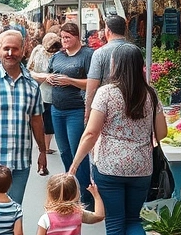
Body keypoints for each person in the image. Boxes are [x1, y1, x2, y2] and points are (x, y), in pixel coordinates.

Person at [69, 43, 167, 235]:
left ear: (116, 66)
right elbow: (163, 133)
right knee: (134, 220)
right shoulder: (151, 94)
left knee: (114, 224)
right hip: (142, 167)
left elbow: (91, 133)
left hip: (110, 167)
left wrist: (75, 163)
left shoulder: (106, 94)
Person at [0, 29, 48, 206]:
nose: (10, 53)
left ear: (23, 50)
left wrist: (42, 151)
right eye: (6, 49)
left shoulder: (32, 85)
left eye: (15, 49)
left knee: (15, 209)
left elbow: (37, 121)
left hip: (20, 161)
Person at [44, 22, 94, 207]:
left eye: (68, 38)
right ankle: (70, 189)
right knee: (64, 151)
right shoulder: (57, 56)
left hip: (76, 108)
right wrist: (48, 78)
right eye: (62, 38)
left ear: (77, 37)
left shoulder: (87, 55)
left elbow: (93, 81)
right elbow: (49, 74)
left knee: (77, 152)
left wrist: (70, 81)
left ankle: (85, 195)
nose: (64, 41)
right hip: (57, 109)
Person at [85, 15, 128, 119]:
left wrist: (88, 110)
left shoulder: (100, 53)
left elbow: (92, 85)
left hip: (106, 105)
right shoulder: (135, 50)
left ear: (108, 30)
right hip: (130, 102)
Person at [28, 33, 61, 154]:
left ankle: (44, 145)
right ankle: (45, 146)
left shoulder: (38, 52)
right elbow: (30, 70)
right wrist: (44, 76)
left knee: (44, 119)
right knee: (46, 120)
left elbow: (30, 69)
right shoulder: (40, 52)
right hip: (45, 91)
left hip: (45, 91)